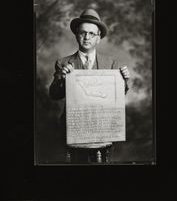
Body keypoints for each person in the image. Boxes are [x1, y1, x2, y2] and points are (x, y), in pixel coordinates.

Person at [49, 8, 130, 163]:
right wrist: (63, 79)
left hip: (103, 129)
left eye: (92, 33)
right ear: (76, 35)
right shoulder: (63, 62)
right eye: (82, 32)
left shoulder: (111, 63)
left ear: (98, 38)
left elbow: (117, 96)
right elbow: (54, 94)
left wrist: (124, 80)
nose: (86, 37)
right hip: (73, 129)